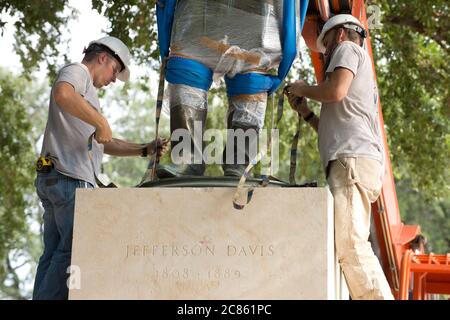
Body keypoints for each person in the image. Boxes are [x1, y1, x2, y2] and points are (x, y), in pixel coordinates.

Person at [33, 36, 169, 300]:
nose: (113, 79)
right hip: (70, 179)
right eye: (115, 71)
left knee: (52, 253)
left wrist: (144, 149)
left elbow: (103, 142)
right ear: (103, 58)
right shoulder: (77, 73)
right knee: (73, 251)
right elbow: (62, 93)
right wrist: (100, 120)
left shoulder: (86, 96)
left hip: (55, 177)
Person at [285, 14, 394, 300]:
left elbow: (335, 91)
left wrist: (302, 88)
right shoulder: (357, 65)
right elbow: (335, 126)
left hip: (352, 160)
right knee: (350, 245)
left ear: (342, 34)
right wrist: (307, 112)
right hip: (355, 159)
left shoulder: (348, 49)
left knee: (351, 245)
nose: (326, 51)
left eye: (327, 42)